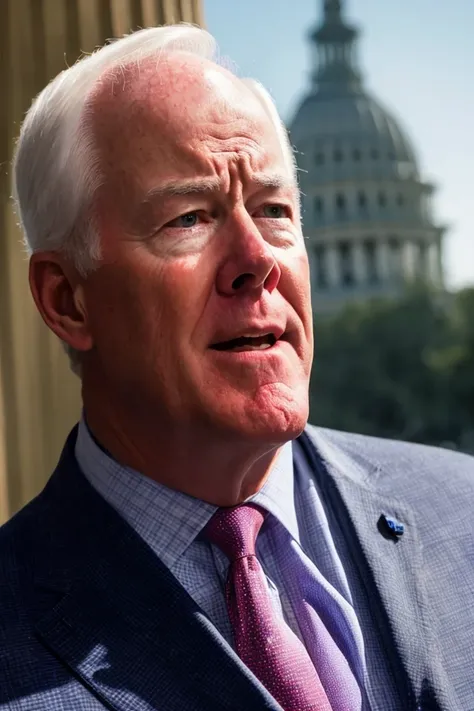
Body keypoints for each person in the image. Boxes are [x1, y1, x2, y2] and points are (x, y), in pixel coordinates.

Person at [0, 24, 473, 711]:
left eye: (276, 209)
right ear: (68, 299)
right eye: (190, 217)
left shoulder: (464, 510)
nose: (259, 260)